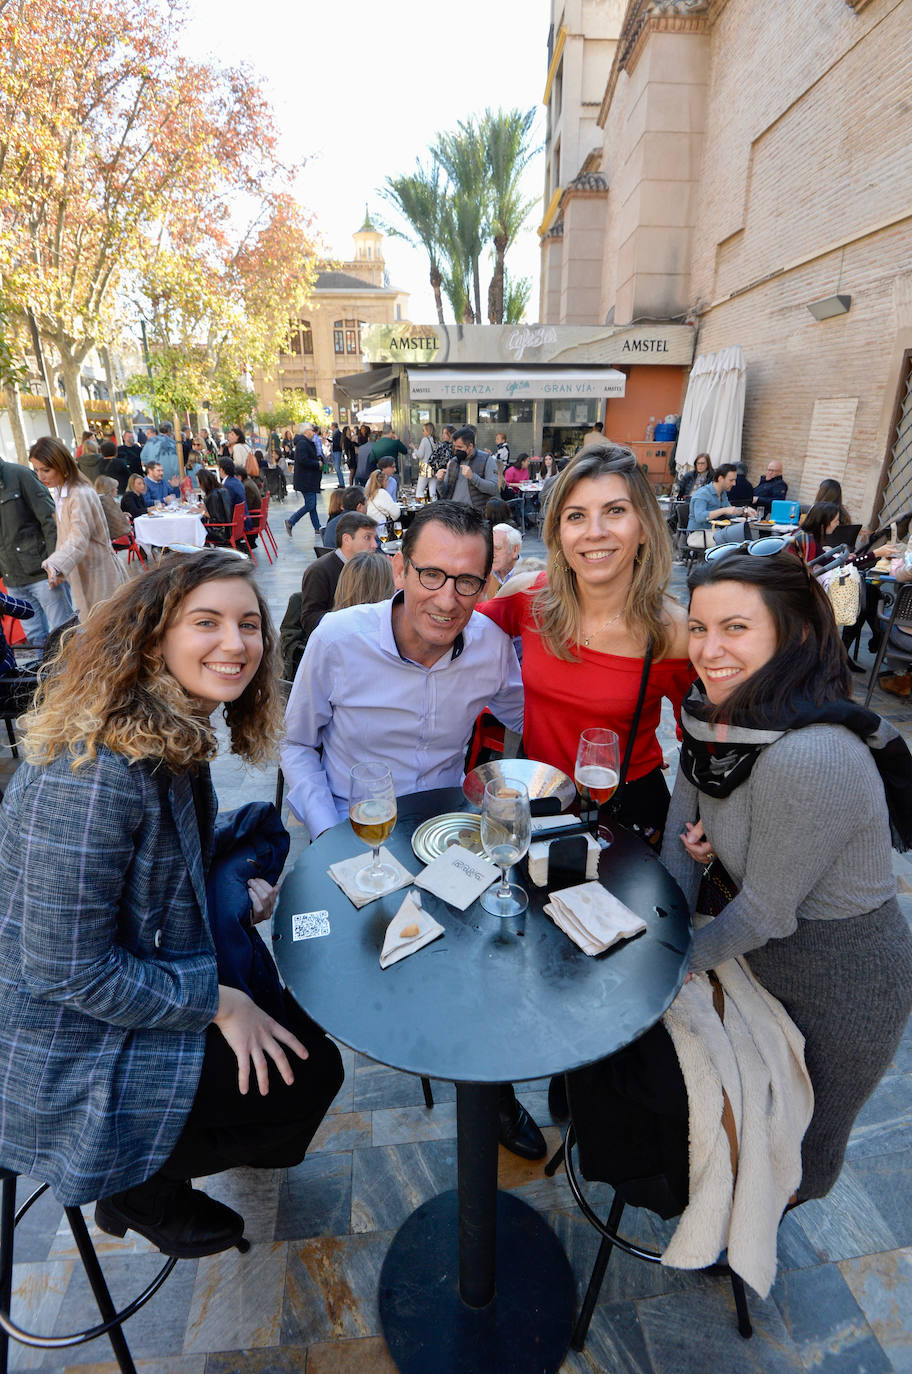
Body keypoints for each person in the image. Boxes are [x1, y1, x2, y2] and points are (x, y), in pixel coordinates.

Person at [0, 550, 344, 1252]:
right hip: (61, 1047)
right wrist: (219, 1003)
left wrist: (224, 884)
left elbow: (158, 857)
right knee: (309, 1077)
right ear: (154, 635)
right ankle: (134, 1184)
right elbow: (65, 972)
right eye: (207, 622)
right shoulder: (93, 774)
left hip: (125, 984)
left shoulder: (168, 731)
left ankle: (158, 1161)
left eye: (249, 624)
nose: (236, 643)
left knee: (299, 1029)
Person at [281, 501, 543, 1161]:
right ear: (400, 567)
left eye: (467, 582)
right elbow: (294, 748)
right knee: (375, 981)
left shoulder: (486, 645)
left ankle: (493, 1093)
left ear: (487, 585)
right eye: (431, 574)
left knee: (493, 955)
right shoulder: (338, 639)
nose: (447, 598)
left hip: (445, 832)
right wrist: (328, 831)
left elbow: (528, 712)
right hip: (354, 832)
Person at [661, 546, 912, 1200]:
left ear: (794, 634)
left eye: (736, 627)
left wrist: (670, 965)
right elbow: (675, 834)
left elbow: (767, 912)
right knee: (734, 1123)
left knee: (797, 1147)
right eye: (699, 627)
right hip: (760, 955)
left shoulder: (814, 754)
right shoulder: (713, 715)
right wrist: (662, 925)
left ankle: (753, 1242)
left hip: (844, 985)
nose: (709, 649)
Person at [478, 446, 692, 844]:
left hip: (626, 812)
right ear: (559, 532)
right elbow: (452, 639)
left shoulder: (675, 631)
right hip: (537, 800)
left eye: (615, 511)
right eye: (576, 516)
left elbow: (705, 740)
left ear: (644, 526)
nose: (595, 531)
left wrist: (706, 821)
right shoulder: (528, 598)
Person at [29, 437, 127, 622]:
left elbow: (78, 538)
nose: (41, 476)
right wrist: (59, 570)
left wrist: (56, 563)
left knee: (108, 631)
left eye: (46, 470)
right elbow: (65, 537)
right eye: (36, 470)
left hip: (100, 574)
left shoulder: (79, 493)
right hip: (85, 572)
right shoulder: (62, 492)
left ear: (61, 464)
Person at [0, 453, 75, 648]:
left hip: (42, 570)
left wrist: (55, 563)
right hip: (12, 576)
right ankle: (47, 678)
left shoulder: (19, 475)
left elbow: (50, 519)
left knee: (64, 632)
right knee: (35, 638)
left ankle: (75, 676)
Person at [299, 512, 378, 648]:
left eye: (374, 538)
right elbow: (309, 619)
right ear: (346, 539)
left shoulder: (370, 567)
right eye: (367, 538)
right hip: (335, 647)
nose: (375, 545)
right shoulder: (319, 571)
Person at [436, 425, 498, 515]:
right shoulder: (454, 461)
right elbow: (444, 493)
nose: (457, 450)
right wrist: (440, 481)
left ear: (470, 446)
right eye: (455, 447)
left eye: (460, 447)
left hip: (475, 514)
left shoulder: (486, 459)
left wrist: (473, 477)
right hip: (454, 513)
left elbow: (493, 489)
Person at [687, 463, 754, 533]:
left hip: (714, 532)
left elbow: (730, 512)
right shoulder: (703, 494)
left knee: (741, 535)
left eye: (734, 480)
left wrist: (744, 510)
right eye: (731, 480)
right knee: (736, 537)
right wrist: (723, 510)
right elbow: (700, 517)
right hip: (698, 534)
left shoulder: (722, 493)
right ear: (720, 479)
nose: (734, 484)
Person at [286, 424, 322, 538]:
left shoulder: (304, 442)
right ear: (307, 431)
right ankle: (291, 521)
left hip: (308, 479)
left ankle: (317, 528)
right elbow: (303, 460)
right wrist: (317, 464)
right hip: (306, 479)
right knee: (310, 504)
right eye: (312, 430)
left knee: (312, 505)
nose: (314, 433)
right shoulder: (303, 443)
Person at [484, 523, 522, 597]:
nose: (492, 554)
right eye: (490, 548)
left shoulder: (530, 578)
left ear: (515, 550)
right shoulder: (485, 575)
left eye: (497, 548)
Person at [323, 485, 367, 550]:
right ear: (359, 507)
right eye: (366, 503)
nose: (368, 506)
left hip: (333, 558)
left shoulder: (331, 523)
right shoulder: (361, 525)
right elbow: (377, 552)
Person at [198, 468, 234, 546]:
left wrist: (201, 511)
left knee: (195, 529)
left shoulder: (213, 496)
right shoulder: (221, 490)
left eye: (198, 481)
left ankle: (200, 553)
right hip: (228, 528)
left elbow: (216, 519)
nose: (198, 484)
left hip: (220, 532)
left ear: (203, 482)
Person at [365, 465, 401, 540]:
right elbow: (396, 513)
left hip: (373, 528)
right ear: (383, 481)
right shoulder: (381, 493)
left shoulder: (370, 493)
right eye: (386, 480)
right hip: (381, 530)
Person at [141, 422, 181, 487]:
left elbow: (144, 458)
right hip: (170, 480)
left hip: (154, 477)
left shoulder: (150, 441)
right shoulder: (173, 444)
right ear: (169, 431)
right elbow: (177, 465)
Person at [93, 475, 132, 540]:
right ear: (109, 489)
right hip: (112, 537)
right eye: (115, 487)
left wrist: (121, 514)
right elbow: (118, 524)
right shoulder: (107, 501)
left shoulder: (96, 499)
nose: (117, 490)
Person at [414, 421, 438, 501]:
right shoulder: (436, 441)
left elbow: (420, 455)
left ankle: (421, 507)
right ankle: (434, 507)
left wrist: (414, 449)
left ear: (428, 431)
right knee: (432, 491)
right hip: (434, 468)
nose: (422, 432)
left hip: (425, 467)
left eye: (423, 430)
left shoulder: (424, 440)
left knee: (420, 490)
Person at [329, 422, 346, 488]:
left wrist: (332, 442)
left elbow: (338, 443)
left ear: (333, 426)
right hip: (336, 451)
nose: (331, 427)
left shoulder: (338, 433)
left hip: (337, 451)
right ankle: (341, 483)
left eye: (331, 426)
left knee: (337, 468)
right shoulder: (336, 433)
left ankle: (342, 483)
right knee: (337, 468)